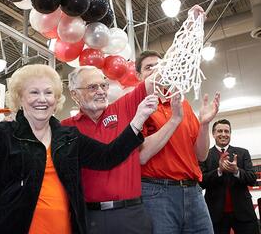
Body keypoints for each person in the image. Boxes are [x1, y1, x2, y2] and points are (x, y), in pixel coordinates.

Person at [0, 64, 158, 234]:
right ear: (20, 98)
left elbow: (107, 156)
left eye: (48, 93)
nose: (42, 99)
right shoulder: (3, 133)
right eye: (34, 92)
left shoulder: (67, 136)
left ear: (56, 100)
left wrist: (138, 120)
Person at [61, 65, 184, 233]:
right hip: (90, 218)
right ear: (74, 94)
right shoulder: (66, 128)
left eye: (103, 85)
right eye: (92, 87)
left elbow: (154, 80)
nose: (101, 91)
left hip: (131, 214)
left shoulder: (123, 107)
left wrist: (179, 50)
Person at [135, 48, 221, 233]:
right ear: (138, 76)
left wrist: (205, 125)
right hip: (157, 193)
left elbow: (201, 155)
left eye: (160, 65)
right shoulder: (139, 106)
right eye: (149, 67)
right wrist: (174, 120)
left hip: (193, 191)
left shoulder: (181, 103)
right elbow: (141, 156)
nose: (156, 70)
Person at [200, 119, 259, 234]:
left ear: (230, 134)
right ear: (213, 134)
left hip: (244, 212)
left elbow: (252, 179)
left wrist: (236, 171)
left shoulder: (243, 153)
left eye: (227, 131)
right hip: (215, 214)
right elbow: (201, 182)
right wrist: (219, 171)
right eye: (219, 131)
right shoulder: (204, 155)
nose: (223, 134)